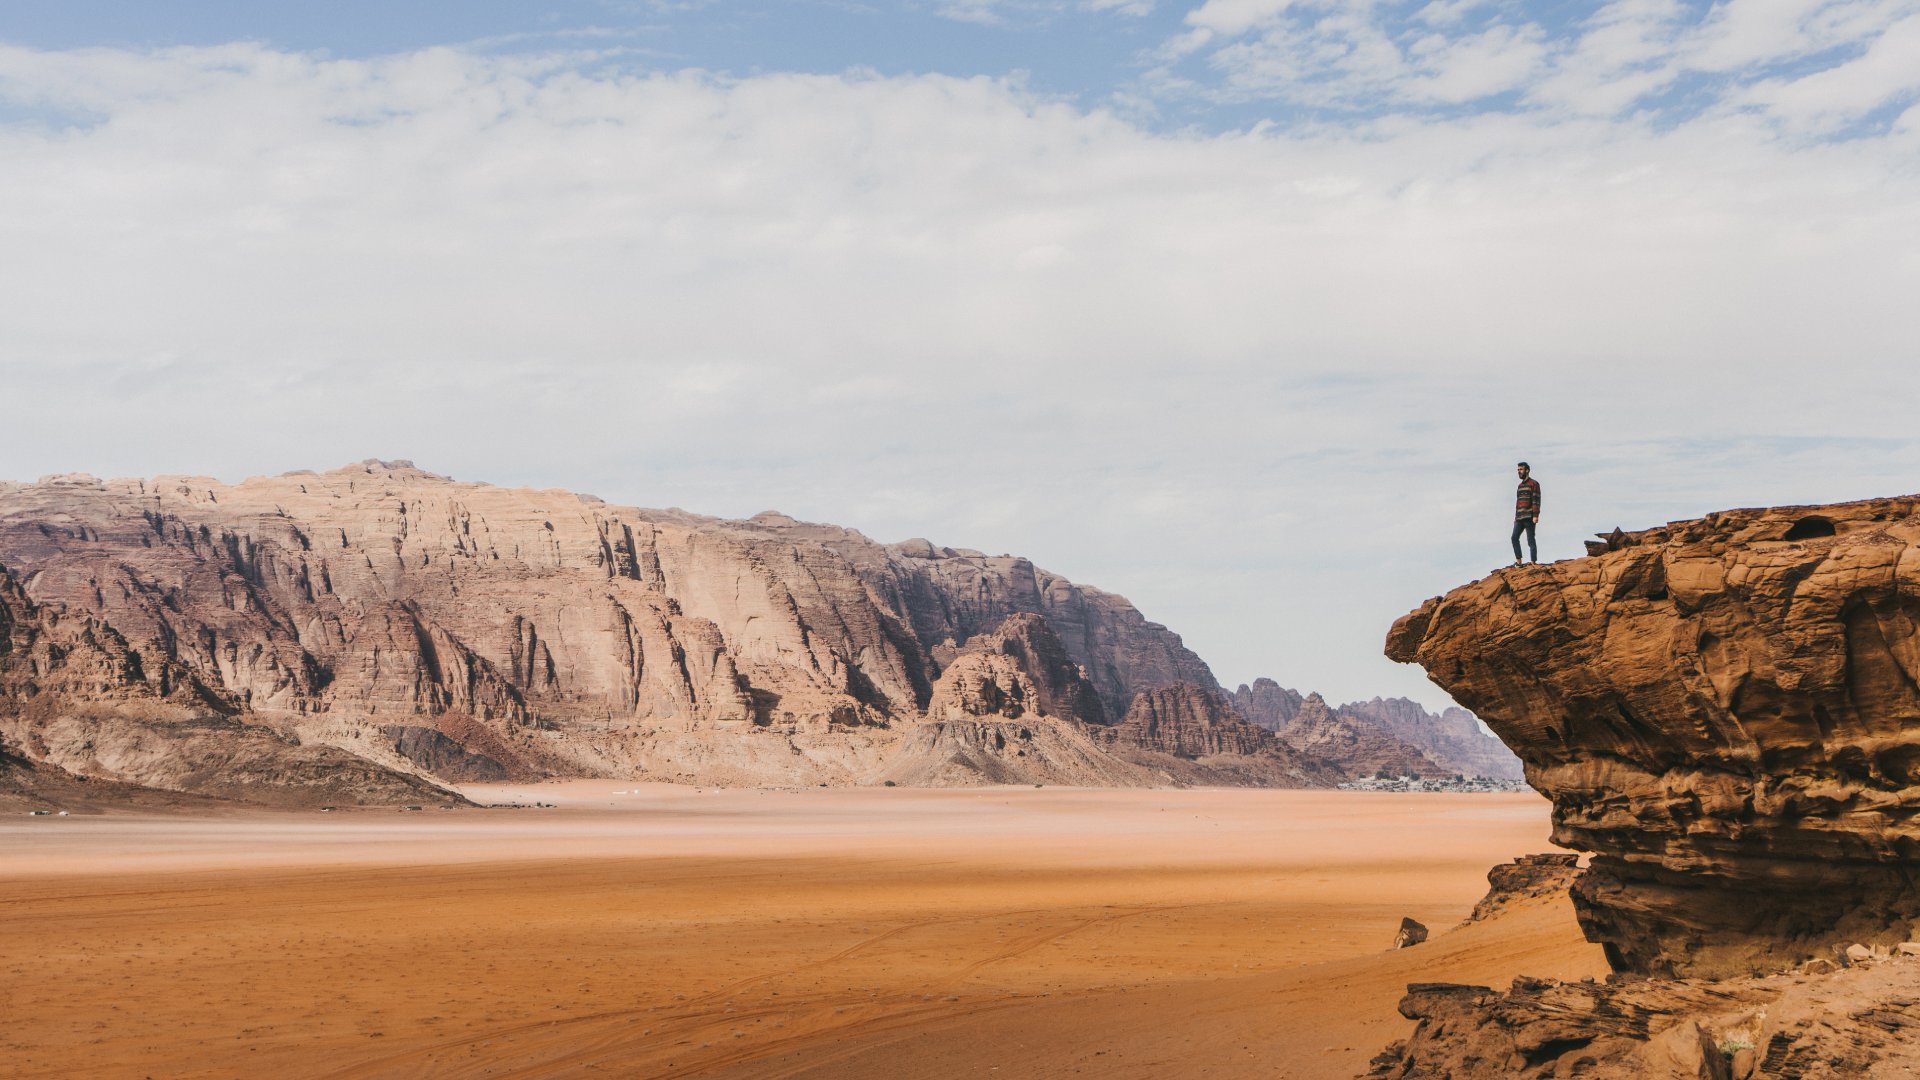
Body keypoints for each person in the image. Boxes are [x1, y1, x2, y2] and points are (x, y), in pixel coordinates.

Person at [1511, 462, 1541, 565]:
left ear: (1527, 470)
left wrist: (1536, 515)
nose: (1519, 471)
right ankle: (1519, 562)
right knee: (1514, 538)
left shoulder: (1534, 484)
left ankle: (1533, 562)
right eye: (1518, 470)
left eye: (1521, 469)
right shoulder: (1519, 486)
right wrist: (1516, 517)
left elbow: (1536, 500)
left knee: (1530, 540)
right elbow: (1518, 502)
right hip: (1519, 517)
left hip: (1529, 516)